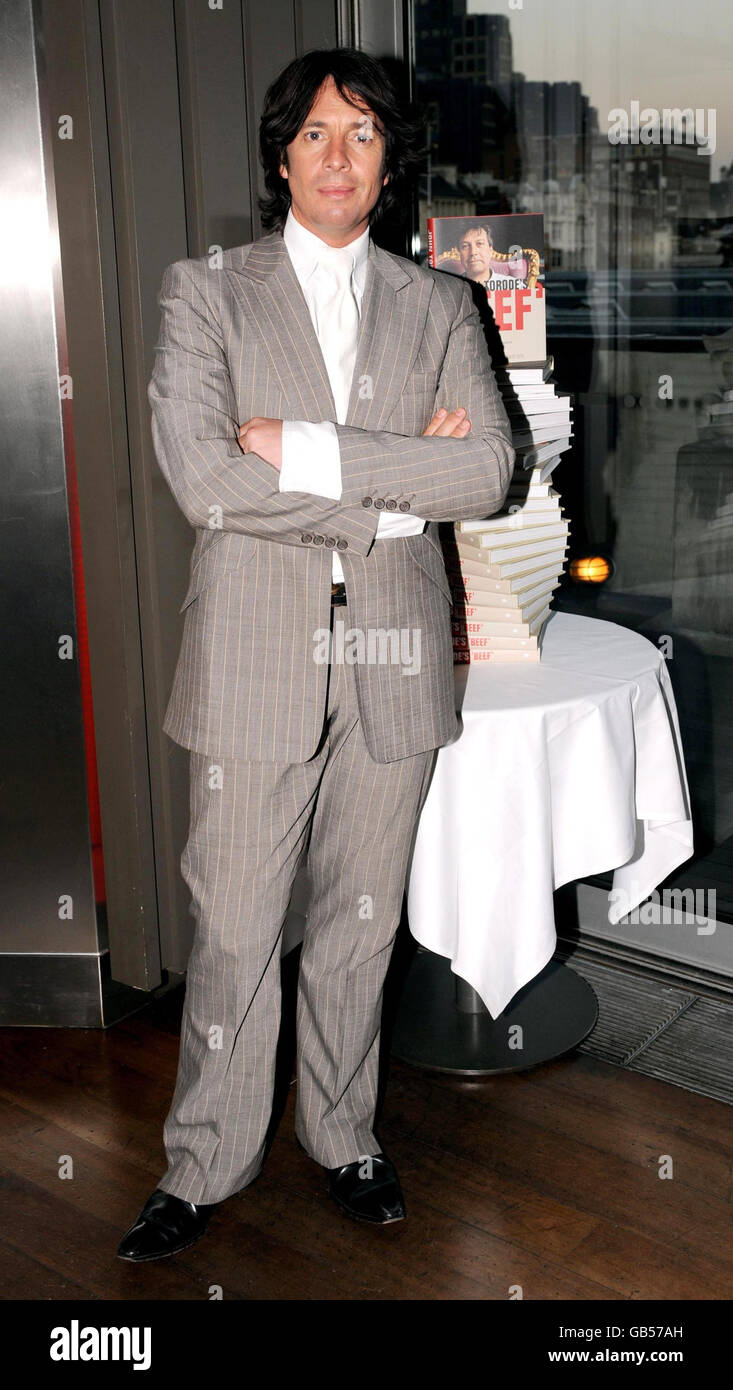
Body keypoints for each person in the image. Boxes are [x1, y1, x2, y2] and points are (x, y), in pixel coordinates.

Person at [118, 46, 514, 1261]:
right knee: (233, 928)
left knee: (356, 923)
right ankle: (205, 1160)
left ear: (389, 163)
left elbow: (488, 471)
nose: (338, 157)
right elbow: (203, 481)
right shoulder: (208, 292)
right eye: (316, 135)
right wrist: (396, 489)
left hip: (395, 651)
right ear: (280, 153)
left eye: (364, 136)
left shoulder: (439, 303)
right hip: (250, 651)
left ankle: (343, 1134)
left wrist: (300, 446)